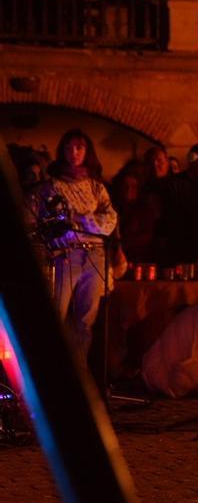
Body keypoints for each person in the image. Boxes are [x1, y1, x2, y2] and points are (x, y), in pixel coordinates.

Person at [26, 129, 117, 360]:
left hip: (95, 256)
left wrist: (83, 221)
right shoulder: (50, 187)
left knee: (86, 320)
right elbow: (33, 219)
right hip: (65, 255)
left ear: (87, 151)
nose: (74, 153)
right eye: (69, 147)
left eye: (79, 147)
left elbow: (110, 221)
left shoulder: (97, 187)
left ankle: (80, 373)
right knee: (56, 315)